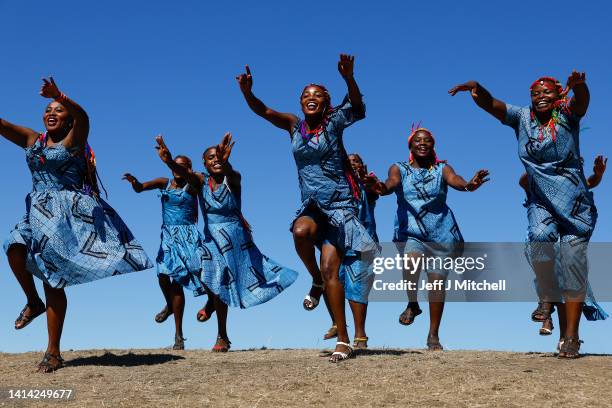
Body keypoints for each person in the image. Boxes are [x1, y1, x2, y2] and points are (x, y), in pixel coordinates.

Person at [2, 77, 152, 372]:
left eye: (58, 109)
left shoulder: (75, 139)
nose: (52, 112)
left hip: (65, 216)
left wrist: (62, 94)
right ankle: (33, 302)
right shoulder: (33, 140)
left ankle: (53, 352)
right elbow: (3, 125)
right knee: (12, 246)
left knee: (52, 278)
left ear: (69, 119)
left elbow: (84, 116)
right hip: (36, 209)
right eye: (48, 109)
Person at [236, 54, 379, 362]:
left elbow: (355, 105)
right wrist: (248, 93)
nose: (310, 99)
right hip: (312, 204)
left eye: (316, 96)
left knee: (333, 269)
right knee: (300, 231)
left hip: (340, 206)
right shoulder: (294, 126)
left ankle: (344, 339)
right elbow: (264, 111)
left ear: (325, 102)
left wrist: (349, 78)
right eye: (305, 96)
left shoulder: (334, 122)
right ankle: (314, 279)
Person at [449, 71, 595, 358]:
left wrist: (580, 86)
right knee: (540, 238)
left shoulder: (568, 115)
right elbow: (494, 105)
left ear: (558, 96)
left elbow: (582, 102)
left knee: (573, 265)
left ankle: (571, 338)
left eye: (546, 93)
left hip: (575, 203)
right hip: (541, 201)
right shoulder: (522, 117)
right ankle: (545, 296)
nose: (540, 97)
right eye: (535, 94)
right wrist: (478, 87)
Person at [155, 133, 298, 352]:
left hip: (236, 238)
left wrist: (226, 162)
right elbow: (186, 174)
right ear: (204, 163)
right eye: (210, 158)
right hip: (212, 237)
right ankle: (212, 301)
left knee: (230, 281)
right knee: (199, 266)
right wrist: (169, 161)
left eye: (218, 156)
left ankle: (222, 335)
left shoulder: (233, 178)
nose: (215, 160)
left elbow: (230, 172)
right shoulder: (201, 181)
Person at [368, 127, 489, 350]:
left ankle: (433, 335)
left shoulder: (442, 168)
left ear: (433, 146)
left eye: (427, 141)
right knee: (411, 260)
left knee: (436, 282)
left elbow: (456, 179)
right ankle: (412, 304)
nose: (422, 143)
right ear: (411, 147)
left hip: (442, 233)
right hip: (412, 231)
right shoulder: (400, 168)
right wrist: (379, 187)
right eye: (417, 140)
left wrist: (469, 185)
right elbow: (390, 183)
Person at [123, 154, 206, 350]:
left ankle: (178, 335)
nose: (177, 170)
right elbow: (141, 188)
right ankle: (169, 305)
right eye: (174, 166)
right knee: (161, 276)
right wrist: (134, 182)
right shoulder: (164, 182)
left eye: (182, 166)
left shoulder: (193, 185)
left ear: (189, 168)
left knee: (177, 283)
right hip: (168, 237)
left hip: (187, 238)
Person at [519, 156, 608, 337]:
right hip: (542, 249)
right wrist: (539, 166)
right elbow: (523, 181)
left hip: (564, 247)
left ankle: (565, 336)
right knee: (554, 284)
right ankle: (550, 319)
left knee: (567, 286)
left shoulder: (574, 188)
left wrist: (597, 175)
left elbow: (589, 182)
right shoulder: (540, 184)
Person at [322, 153, 379, 351]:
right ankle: (338, 325)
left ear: (363, 165)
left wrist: (366, 180)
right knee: (330, 281)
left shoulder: (366, 186)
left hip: (363, 244)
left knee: (358, 287)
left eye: (357, 161)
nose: (353, 164)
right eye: (349, 161)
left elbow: (375, 191)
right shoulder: (336, 186)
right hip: (338, 242)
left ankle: (360, 336)